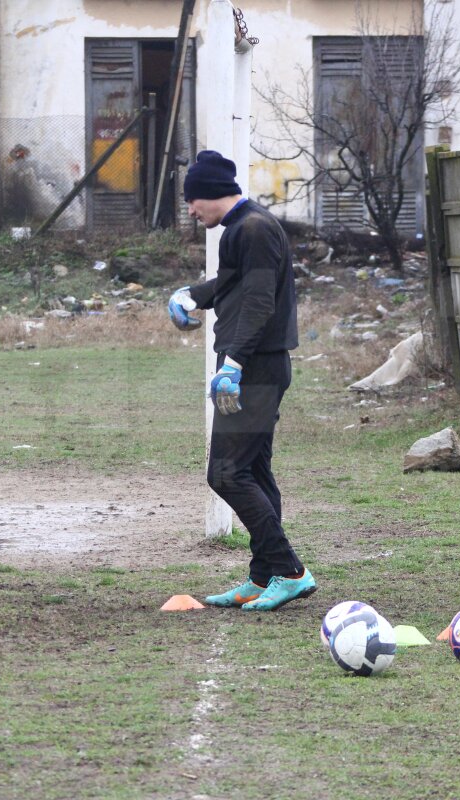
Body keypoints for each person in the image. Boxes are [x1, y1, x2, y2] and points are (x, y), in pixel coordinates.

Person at [166, 150, 316, 611]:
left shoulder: (254, 229)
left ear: (212, 195)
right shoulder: (240, 229)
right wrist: (190, 295)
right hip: (252, 365)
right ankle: (263, 574)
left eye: (193, 201)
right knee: (251, 470)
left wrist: (233, 365)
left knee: (226, 473)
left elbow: (256, 304)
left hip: (255, 369)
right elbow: (231, 285)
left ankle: (289, 570)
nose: (191, 211)